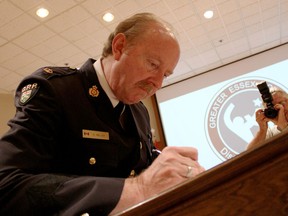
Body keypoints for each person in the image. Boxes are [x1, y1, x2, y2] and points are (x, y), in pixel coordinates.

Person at [0, 13, 205, 215]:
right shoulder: (56, 90)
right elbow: (6, 183)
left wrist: (171, 170)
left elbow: (141, 161)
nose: (158, 83)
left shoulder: (139, 110)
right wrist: (137, 189)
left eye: (166, 75)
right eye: (153, 65)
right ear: (119, 47)